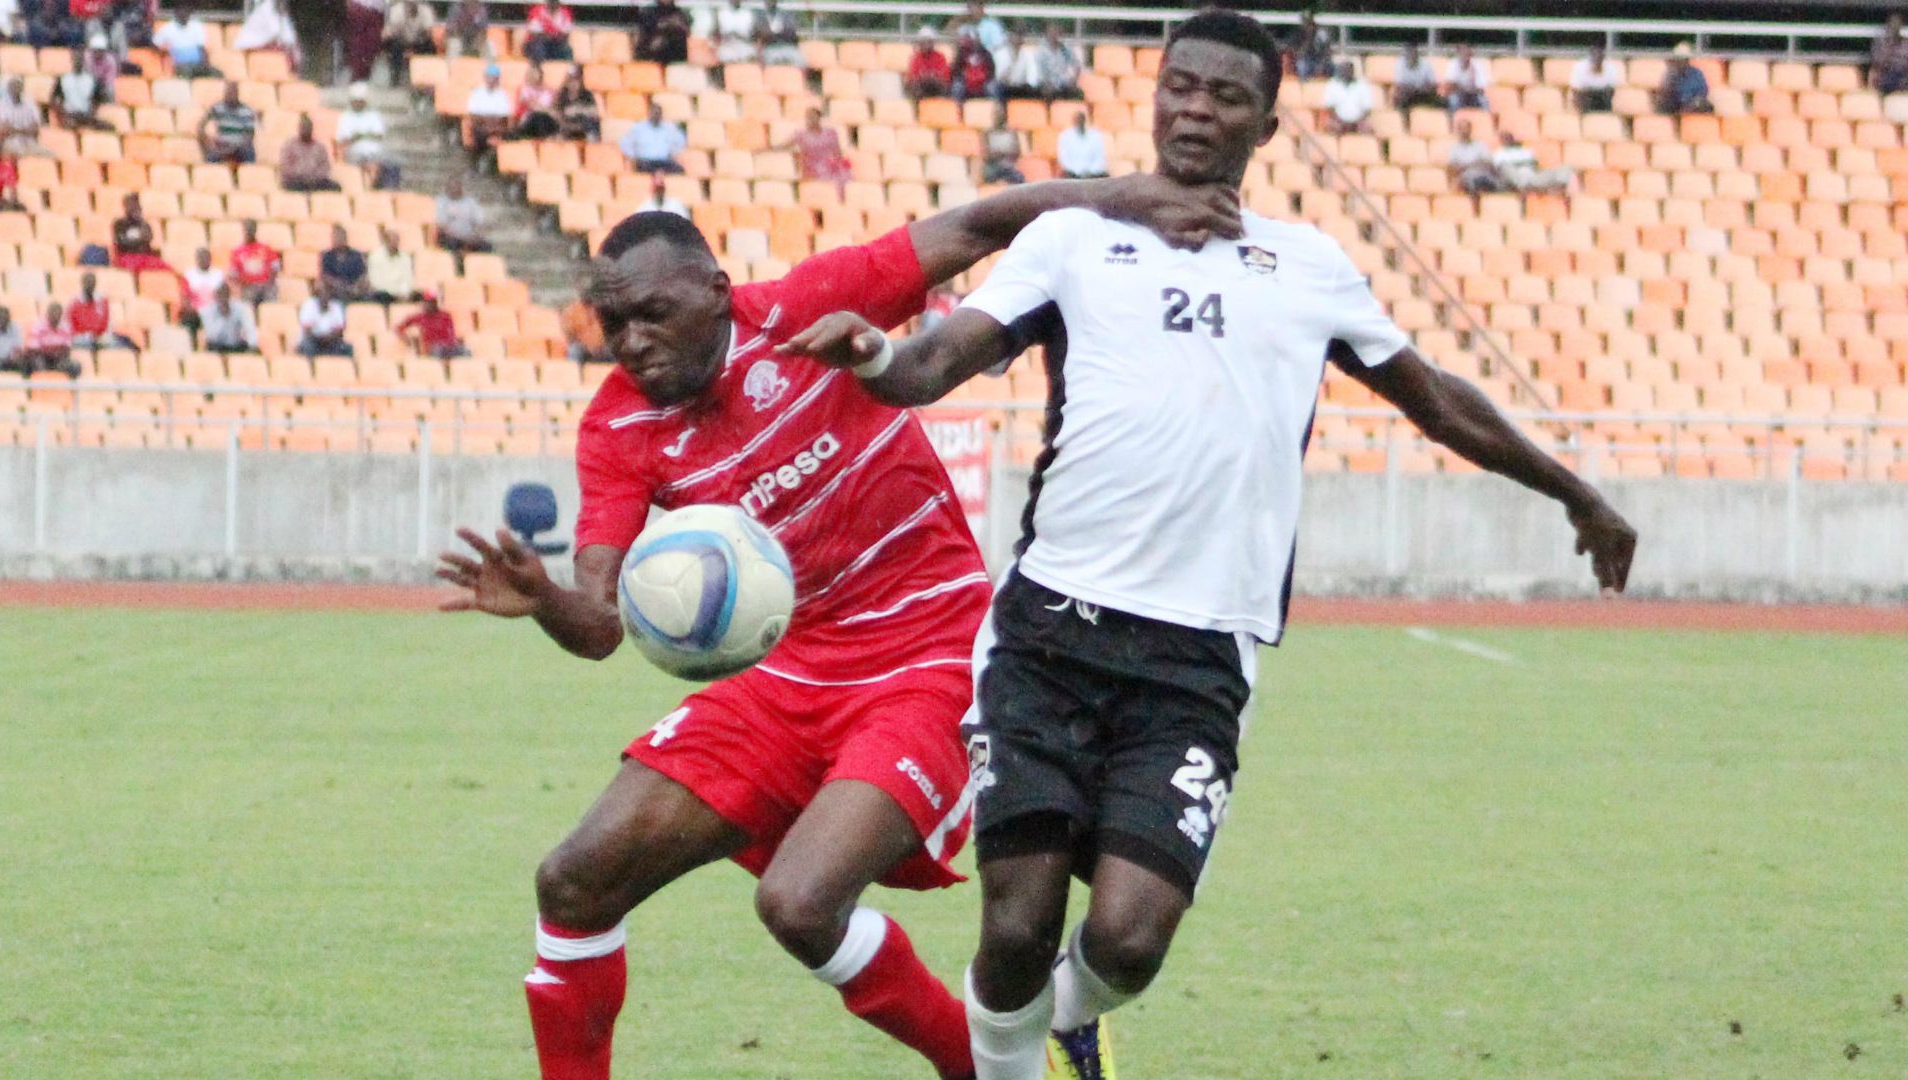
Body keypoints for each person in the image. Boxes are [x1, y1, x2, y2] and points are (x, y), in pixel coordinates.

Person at [778, 15, 1639, 1080]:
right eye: (1180, 87)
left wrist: (1574, 494)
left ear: (1267, 124)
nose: (1197, 109)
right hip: (1051, 633)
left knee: (1130, 941)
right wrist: (875, 356)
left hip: (1198, 657)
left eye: (1225, 97)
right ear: (1154, 96)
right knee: (1014, 926)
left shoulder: (1309, 268)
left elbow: (1435, 401)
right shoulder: (1072, 241)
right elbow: (937, 361)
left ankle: (1068, 1015)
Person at [433, 165, 1241, 1080]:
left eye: (652, 313)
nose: (632, 342)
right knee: (573, 880)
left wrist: (1131, 194)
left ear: (716, 290)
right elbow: (600, 621)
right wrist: (547, 604)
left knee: (802, 903)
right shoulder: (619, 427)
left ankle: (982, 1063)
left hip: (931, 655)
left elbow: (978, 222)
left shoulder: (809, 306)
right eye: (613, 324)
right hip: (788, 675)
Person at [337, 83, 395, 187]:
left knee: (393, 164)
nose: (358, 103)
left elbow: (379, 135)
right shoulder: (345, 117)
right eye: (356, 101)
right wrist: (364, 135)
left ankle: (389, 191)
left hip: (374, 152)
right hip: (354, 153)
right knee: (369, 163)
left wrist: (360, 135)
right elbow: (344, 139)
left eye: (361, 101)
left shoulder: (373, 115)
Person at [784, 104, 851, 189]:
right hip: (811, 167)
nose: (810, 120)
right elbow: (786, 145)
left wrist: (839, 164)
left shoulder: (830, 133)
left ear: (819, 118)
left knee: (844, 176)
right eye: (808, 117)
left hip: (828, 165)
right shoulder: (801, 134)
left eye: (813, 117)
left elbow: (837, 152)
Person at [67, 271, 137, 349]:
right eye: (87, 282)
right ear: (82, 283)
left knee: (119, 345)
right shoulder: (74, 303)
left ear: (95, 283)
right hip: (81, 339)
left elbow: (108, 325)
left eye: (92, 282)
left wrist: (102, 336)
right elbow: (70, 327)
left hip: (101, 339)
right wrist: (86, 336)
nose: (89, 284)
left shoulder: (103, 301)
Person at [1493, 130, 1573, 194]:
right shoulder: (1499, 153)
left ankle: (1553, 190)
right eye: (1505, 138)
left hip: (1531, 178)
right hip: (1514, 181)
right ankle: (1527, 187)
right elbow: (1500, 173)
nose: (1507, 140)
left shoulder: (1526, 152)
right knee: (1506, 167)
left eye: (1509, 137)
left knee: (1566, 169)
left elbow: (1535, 168)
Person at [200, 81, 259, 165]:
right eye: (227, 93)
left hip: (239, 145)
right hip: (222, 144)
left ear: (237, 94)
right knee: (211, 158)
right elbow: (201, 125)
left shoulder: (246, 111)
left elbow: (250, 135)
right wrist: (208, 141)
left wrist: (237, 145)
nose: (229, 95)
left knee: (249, 154)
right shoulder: (218, 108)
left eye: (232, 93)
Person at [381, 0, 437, 87]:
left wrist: (418, 42)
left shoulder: (426, 11)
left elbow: (428, 32)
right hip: (400, 39)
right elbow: (392, 31)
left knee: (430, 46)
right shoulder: (396, 10)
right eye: (409, 3)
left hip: (418, 41)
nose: (412, 5)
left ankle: (427, 77)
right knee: (394, 45)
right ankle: (395, 76)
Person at [234, 0, 302, 72]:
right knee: (286, 50)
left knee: (293, 48)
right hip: (253, 46)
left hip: (267, 44)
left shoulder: (282, 15)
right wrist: (289, 45)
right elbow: (275, 33)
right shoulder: (265, 10)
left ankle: (291, 72)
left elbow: (289, 36)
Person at [51, 50, 111, 130]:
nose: (78, 61)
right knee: (71, 125)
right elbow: (54, 99)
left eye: (80, 59)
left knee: (108, 127)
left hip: (85, 115)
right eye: (76, 59)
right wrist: (62, 114)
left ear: (84, 61)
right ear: (72, 60)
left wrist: (91, 113)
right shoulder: (63, 79)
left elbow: (97, 100)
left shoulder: (91, 80)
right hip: (69, 115)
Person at [111, 193, 171, 273]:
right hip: (127, 257)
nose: (133, 208)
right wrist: (138, 239)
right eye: (130, 205)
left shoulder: (144, 224)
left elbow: (148, 238)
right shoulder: (119, 224)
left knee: (167, 270)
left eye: (136, 205)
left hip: (144, 257)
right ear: (125, 207)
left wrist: (133, 239)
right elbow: (121, 242)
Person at [153, 3, 218, 77]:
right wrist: (167, 52)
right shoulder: (167, 29)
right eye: (181, 10)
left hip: (197, 64)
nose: (184, 13)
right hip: (180, 65)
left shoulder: (197, 26)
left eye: (186, 11)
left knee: (216, 73)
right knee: (186, 73)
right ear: (176, 12)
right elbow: (155, 45)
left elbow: (202, 49)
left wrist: (206, 64)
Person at [396, 291, 466, 358]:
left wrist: (453, 343)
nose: (431, 304)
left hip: (449, 346)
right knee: (440, 350)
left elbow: (451, 333)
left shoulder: (445, 315)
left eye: (433, 302)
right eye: (428, 302)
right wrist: (407, 340)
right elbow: (399, 328)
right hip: (433, 348)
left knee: (466, 352)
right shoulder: (419, 317)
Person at [434, 176, 493, 255]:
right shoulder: (441, 202)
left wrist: (476, 236)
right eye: (451, 186)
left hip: (469, 237)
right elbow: (441, 226)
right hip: (449, 237)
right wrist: (462, 238)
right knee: (451, 244)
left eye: (456, 186)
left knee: (486, 246)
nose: (453, 189)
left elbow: (480, 222)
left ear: (461, 187)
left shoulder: (470, 203)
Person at [19, 303, 82, 377]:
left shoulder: (66, 327)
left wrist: (51, 350)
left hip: (59, 360)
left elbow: (67, 349)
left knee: (75, 366)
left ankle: (69, 388)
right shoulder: (38, 326)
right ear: (47, 314)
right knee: (32, 363)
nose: (55, 316)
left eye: (58, 314)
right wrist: (52, 351)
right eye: (53, 313)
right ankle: (41, 385)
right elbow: (33, 349)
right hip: (42, 359)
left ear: (61, 315)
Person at [280, 115, 340, 192]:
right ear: (299, 128)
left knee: (336, 187)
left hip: (316, 181)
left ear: (312, 129)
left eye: (308, 127)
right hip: (296, 181)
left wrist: (314, 177)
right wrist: (303, 176)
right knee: (293, 186)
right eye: (303, 127)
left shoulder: (320, 147)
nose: (306, 129)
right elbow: (285, 167)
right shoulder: (289, 146)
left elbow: (325, 167)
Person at [622, 101, 686, 174]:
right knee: (643, 169)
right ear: (649, 113)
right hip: (645, 162)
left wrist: (674, 154)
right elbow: (625, 143)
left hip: (664, 161)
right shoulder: (639, 128)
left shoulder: (670, 128)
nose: (656, 115)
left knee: (679, 170)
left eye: (658, 113)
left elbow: (680, 142)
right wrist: (633, 157)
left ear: (661, 114)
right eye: (654, 113)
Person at [229, 220, 282, 304]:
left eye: (251, 229)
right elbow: (233, 274)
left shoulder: (265, 248)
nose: (249, 231)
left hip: (265, 285)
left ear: (255, 230)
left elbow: (275, 266)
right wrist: (245, 283)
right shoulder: (237, 252)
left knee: (271, 293)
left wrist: (269, 282)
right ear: (243, 230)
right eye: (247, 229)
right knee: (248, 301)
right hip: (248, 287)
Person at [298, 280, 352, 358]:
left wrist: (329, 338)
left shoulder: (336, 306)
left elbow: (339, 331)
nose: (325, 296)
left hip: (331, 340)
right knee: (308, 347)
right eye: (322, 293)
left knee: (346, 348)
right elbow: (308, 330)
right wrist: (322, 339)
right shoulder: (309, 305)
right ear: (317, 294)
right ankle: (313, 369)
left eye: (328, 293)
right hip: (313, 340)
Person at [0, 78, 48, 157]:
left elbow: (35, 130)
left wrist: (15, 130)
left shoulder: (30, 103)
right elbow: (5, 130)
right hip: (12, 143)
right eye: (13, 88)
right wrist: (25, 130)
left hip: (31, 143)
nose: (16, 90)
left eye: (18, 87)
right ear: (9, 90)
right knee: (21, 155)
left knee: (49, 155)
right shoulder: (3, 105)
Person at [466, 64, 511, 156]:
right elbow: (473, 114)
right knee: (477, 130)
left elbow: (503, 116)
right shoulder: (477, 93)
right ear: (485, 78)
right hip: (482, 126)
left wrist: (493, 125)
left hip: (497, 128)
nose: (491, 80)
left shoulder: (503, 95)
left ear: (498, 79)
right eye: (489, 77)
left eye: (494, 78)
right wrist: (487, 122)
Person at [1447, 118, 1501, 195]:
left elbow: (1488, 162)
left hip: (1483, 173)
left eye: (1466, 128)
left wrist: (1466, 165)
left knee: (1498, 182)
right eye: (1462, 128)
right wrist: (1474, 163)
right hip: (1467, 176)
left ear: (1470, 129)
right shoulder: (1454, 149)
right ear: (1458, 131)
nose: (1464, 131)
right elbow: (1453, 168)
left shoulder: (1480, 145)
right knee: (1472, 181)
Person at [1656, 42, 1713, 115]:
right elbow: (1665, 92)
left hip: (1692, 103)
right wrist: (1673, 78)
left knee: (1706, 105)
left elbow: (1703, 92)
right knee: (1663, 103)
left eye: (1684, 59)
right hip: (1675, 104)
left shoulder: (1696, 73)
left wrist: (1694, 102)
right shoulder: (1670, 73)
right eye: (1679, 59)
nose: (1681, 62)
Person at [178, 246, 225, 333]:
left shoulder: (218, 275)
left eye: (206, 257)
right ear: (196, 259)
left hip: (215, 312)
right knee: (187, 319)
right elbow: (185, 298)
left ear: (210, 258)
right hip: (196, 313)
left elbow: (223, 297)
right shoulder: (189, 275)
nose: (204, 259)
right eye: (201, 257)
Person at [319, 224, 370, 303]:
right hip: (334, 290)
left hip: (353, 289)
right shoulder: (327, 256)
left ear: (345, 239)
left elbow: (362, 275)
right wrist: (338, 285)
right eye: (334, 237)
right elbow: (325, 275)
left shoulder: (356, 256)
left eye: (339, 237)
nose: (336, 240)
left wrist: (354, 287)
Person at [199, 286, 258, 352]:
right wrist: (224, 316)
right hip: (216, 347)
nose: (223, 298)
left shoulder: (241, 308)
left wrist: (252, 346)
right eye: (220, 294)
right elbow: (212, 336)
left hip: (236, 346)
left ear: (229, 294)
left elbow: (250, 329)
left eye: (225, 294)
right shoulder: (206, 311)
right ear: (215, 295)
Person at [1322, 59, 1374, 134]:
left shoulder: (1362, 85)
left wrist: (1358, 121)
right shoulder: (1332, 84)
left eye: (1348, 70)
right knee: (1331, 127)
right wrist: (1339, 121)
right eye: (1343, 70)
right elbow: (1330, 108)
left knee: (1367, 128)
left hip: (1359, 121)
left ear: (1352, 71)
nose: (1345, 72)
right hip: (1338, 121)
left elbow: (1367, 109)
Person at [367, 228, 417, 304]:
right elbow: (375, 281)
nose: (395, 243)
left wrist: (403, 293)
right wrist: (393, 294)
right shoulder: (375, 257)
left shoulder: (405, 257)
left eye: (397, 240)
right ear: (386, 241)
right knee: (381, 295)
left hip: (402, 294)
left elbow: (407, 278)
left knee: (419, 295)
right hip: (384, 294)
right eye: (392, 241)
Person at [1035, 23, 1083, 100]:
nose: (1055, 35)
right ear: (1047, 34)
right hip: (1048, 84)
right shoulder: (1041, 51)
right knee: (1047, 93)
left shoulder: (1065, 50)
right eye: (1052, 32)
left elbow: (1077, 65)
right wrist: (1047, 84)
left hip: (1063, 84)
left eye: (1057, 32)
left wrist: (1074, 80)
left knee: (1079, 93)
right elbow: (1040, 72)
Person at [512, 63, 560, 140]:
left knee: (542, 118)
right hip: (528, 121)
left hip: (546, 120)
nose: (532, 76)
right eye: (530, 73)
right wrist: (545, 110)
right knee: (537, 117)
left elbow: (554, 109)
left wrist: (546, 110)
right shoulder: (523, 89)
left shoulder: (549, 91)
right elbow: (530, 105)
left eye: (534, 73)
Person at [633, 0, 689, 65]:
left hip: (676, 62)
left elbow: (688, 38)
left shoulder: (681, 14)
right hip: (651, 61)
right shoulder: (647, 13)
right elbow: (640, 45)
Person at [1056, 108, 1107, 179]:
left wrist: (1090, 171)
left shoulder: (1096, 135)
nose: (1079, 122)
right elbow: (1064, 159)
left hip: (1093, 173)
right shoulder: (1065, 136)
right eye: (1077, 120)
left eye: (1081, 119)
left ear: (1085, 120)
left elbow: (1100, 157)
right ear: (1073, 121)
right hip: (1073, 173)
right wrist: (1078, 172)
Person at [1569, 44, 1622, 113]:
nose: (1597, 57)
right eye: (1594, 54)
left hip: (1603, 100)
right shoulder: (1579, 67)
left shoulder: (1611, 68)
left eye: (1600, 54)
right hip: (1584, 100)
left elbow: (1612, 92)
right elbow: (1575, 91)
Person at [1391, 43, 1444, 111]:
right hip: (1408, 96)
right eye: (1408, 51)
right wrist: (1416, 88)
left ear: (1417, 52)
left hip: (1424, 95)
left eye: (1413, 51)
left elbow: (1432, 85)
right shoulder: (1399, 64)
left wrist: (1416, 88)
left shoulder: (1426, 64)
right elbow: (1400, 86)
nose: (1411, 54)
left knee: (1442, 102)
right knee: (1399, 100)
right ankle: (1404, 121)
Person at [951, 25, 995, 105]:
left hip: (983, 82)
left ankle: (993, 111)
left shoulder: (986, 53)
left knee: (992, 87)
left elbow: (991, 71)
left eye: (976, 38)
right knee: (957, 87)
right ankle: (957, 112)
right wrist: (964, 76)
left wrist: (983, 77)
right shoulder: (962, 53)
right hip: (965, 82)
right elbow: (955, 71)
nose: (974, 41)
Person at [554, 64, 600, 141]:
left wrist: (579, 110)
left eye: (576, 80)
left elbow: (594, 112)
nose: (573, 84)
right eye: (571, 80)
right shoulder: (562, 95)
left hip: (584, 127)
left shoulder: (587, 94)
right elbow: (557, 112)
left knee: (592, 131)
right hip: (567, 127)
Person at [992, 27, 1038, 103]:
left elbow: (1032, 75)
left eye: (1021, 36)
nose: (1018, 39)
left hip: (1021, 86)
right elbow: (999, 76)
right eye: (1016, 36)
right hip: (1006, 86)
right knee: (999, 88)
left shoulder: (1027, 54)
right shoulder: (1001, 53)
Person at [345, 0, 387, 84]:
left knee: (373, 44)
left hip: (376, 10)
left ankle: (363, 75)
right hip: (360, 7)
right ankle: (357, 76)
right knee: (359, 44)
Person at [907, 26, 952, 99]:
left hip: (936, 88)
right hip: (921, 89)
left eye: (928, 42)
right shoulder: (916, 58)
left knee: (944, 87)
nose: (926, 44)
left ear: (933, 43)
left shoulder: (940, 57)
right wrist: (923, 78)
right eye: (923, 42)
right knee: (915, 87)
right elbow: (911, 78)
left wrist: (933, 78)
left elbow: (946, 77)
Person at [1443, 42, 1490, 111]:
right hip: (1458, 94)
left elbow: (1481, 88)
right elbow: (1449, 85)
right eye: (1463, 49)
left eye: (1468, 49)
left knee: (1484, 100)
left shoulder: (1479, 65)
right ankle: (1452, 120)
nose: (1466, 52)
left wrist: (1471, 85)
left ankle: (1487, 119)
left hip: (1474, 95)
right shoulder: (1452, 64)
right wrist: (1461, 88)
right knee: (1453, 100)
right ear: (1458, 51)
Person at [756, 0, 802, 67]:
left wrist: (776, 34)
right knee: (768, 60)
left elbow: (791, 32)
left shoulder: (785, 14)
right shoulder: (761, 16)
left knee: (801, 60)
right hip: (770, 48)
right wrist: (776, 34)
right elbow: (761, 34)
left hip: (786, 46)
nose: (771, 2)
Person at [710, 0, 757, 64]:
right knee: (723, 55)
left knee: (751, 54)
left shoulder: (748, 14)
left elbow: (753, 35)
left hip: (744, 44)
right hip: (727, 45)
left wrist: (739, 35)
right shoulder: (722, 13)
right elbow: (716, 34)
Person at [982, 113, 1024, 184]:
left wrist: (1007, 157)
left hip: (1008, 165)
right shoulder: (987, 133)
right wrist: (996, 155)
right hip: (993, 166)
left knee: (1019, 178)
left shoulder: (1012, 133)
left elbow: (1017, 152)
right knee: (988, 175)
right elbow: (986, 154)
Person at [1872, 14, 1907, 93]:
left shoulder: (1906, 43)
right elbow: (1878, 61)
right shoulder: (1880, 43)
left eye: (1898, 24)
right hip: (1884, 77)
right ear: (1888, 25)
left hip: (1903, 78)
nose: (1895, 26)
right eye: (1893, 23)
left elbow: (1905, 63)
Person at [1292, 10, 1331, 80]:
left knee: (1333, 67)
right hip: (1306, 60)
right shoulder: (1298, 34)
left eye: (1309, 22)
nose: (1308, 25)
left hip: (1320, 60)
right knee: (1302, 66)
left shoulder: (1321, 33)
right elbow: (1299, 55)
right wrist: (1309, 39)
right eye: (1305, 22)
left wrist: (1323, 63)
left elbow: (1327, 50)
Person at [0, 306, 25, 372]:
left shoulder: (16, 327)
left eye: (4, 317)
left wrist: (11, 357)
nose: (2, 320)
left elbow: (18, 347)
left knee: (21, 360)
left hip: (11, 359)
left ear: (9, 318)